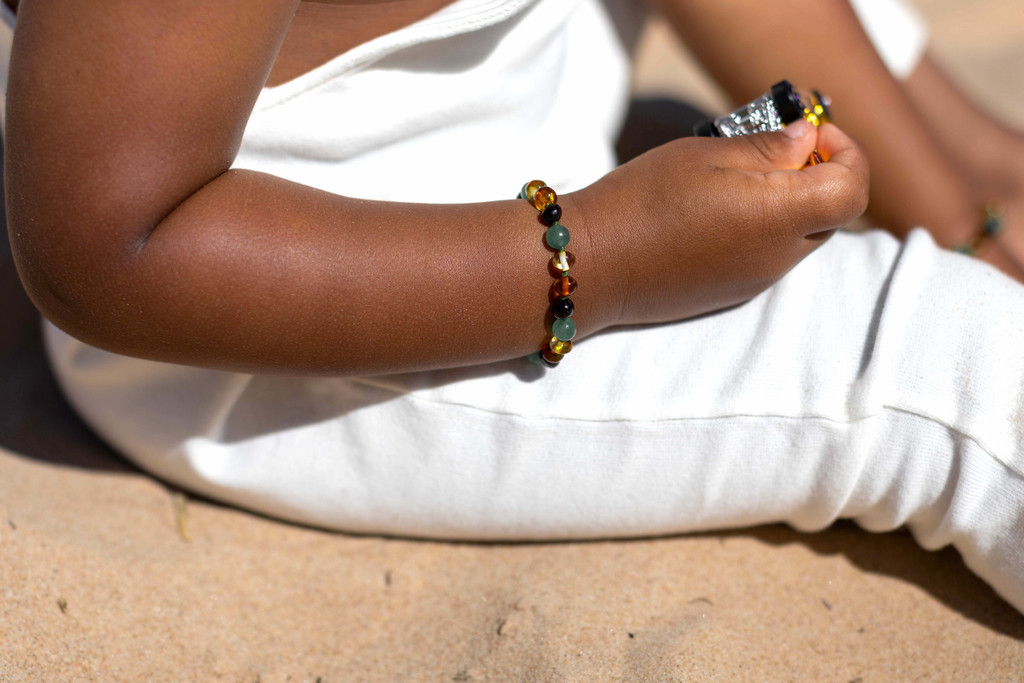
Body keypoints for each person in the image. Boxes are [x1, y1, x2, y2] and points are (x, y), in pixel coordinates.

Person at [3, 0, 1024, 614]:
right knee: (949, 358)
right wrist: (613, 250)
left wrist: (957, 207)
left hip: (533, 82)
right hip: (304, 301)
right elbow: (110, 245)